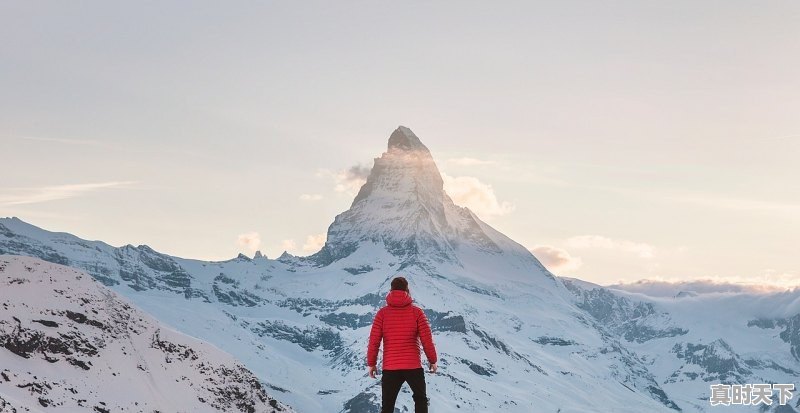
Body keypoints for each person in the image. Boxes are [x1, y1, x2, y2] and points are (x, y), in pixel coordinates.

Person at [367, 276, 438, 413]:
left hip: (390, 367)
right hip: (413, 366)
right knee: (420, 399)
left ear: (391, 291)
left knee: (387, 406)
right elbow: (427, 339)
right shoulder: (417, 312)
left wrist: (371, 363)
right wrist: (433, 360)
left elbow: (374, 341)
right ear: (407, 290)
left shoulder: (382, 314)